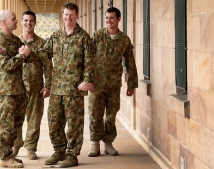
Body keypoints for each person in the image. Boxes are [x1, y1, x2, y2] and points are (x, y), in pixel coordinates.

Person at [38, 3, 95, 168]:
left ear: (77, 15)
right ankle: (59, 150)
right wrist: (28, 50)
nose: (68, 18)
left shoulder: (83, 37)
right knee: (54, 121)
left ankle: (72, 155)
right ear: (62, 15)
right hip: (57, 88)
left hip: (74, 89)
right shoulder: (56, 36)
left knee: (74, 124)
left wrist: (87, 79)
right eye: (65, 15)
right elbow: (44, 53)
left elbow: (90, 62)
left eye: (71, 15)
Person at [88, 7, 138, 157]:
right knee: (95, 113)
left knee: (111, 114)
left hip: (114, 85)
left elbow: (130, 63)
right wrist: (87, 79)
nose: (108, 21)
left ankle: (108, 143)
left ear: (118, 19)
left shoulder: (124, 40)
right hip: (96, 84)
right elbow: (88, 59)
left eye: (112, 18)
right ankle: (95, 143)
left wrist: (131, 84)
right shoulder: (97, 36)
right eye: (107, 18)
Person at [0, 10, 31, 168]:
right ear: (4, 22)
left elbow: (26, 55)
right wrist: (21, 56)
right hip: (6, 91)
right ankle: (4, 157)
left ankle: (9, 154)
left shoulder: (15, 40)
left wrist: (25, 54)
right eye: (14, 19)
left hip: (18, 89)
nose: (17, 21)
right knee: (5, 125)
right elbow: (5, 65)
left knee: (16, 124)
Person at [12, 10, 53, 160]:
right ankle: (16, 146)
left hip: (36, 88)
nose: (28, 23)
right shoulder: (15, 42)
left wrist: (48, 85)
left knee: (34, 119)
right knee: (17, 118)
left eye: (31, 21)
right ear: (21, 22)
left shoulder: (42, 44)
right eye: (26, 20)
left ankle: (30, 148)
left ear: (35, 23)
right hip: (18, 87)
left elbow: (48, 66)